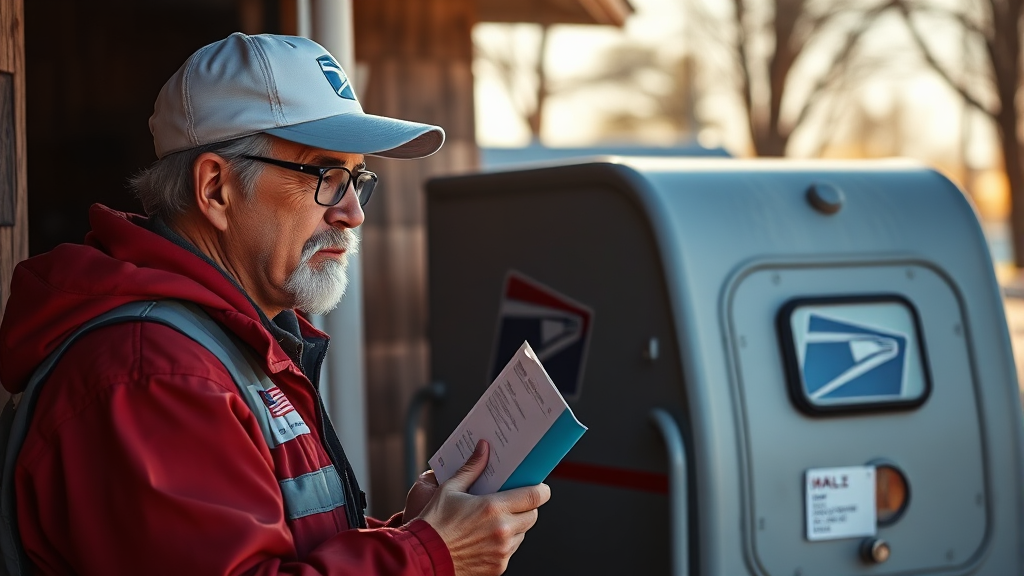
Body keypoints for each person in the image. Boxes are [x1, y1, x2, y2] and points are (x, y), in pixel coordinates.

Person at [0, 33, 549, 576]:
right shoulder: (153, 370)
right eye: (327, 176)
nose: (352, 213)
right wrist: (430, 556)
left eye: (357, 179)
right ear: (215, 188)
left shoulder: (228, 340)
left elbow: (281, 550)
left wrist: (413, 535)